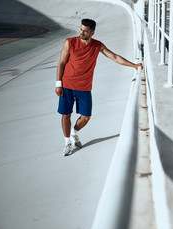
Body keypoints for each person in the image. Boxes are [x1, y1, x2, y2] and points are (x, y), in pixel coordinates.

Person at [55, 18, 142, 156]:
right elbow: (61, 63)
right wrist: (58, 83)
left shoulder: (97, 46)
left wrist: (134, 65)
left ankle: (74, 133)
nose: (81, 33)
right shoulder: (70, 42)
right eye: (81, 29)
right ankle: (67, 143)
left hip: (84, 87)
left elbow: (114, 57)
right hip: (67, 85)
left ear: (92, 33)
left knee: (86, 117)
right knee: (66, 115)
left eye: (85, 31)